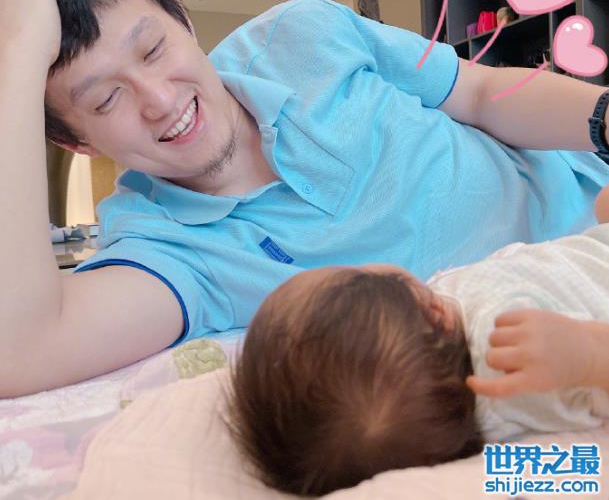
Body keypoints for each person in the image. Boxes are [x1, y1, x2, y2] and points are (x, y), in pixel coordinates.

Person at [2, 0, 609, 398]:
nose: (159, 101)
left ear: (183, 19)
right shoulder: (166, 249)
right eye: (106, 100)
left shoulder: (304, 31)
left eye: (154, 49)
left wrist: (603, 118)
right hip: (564, 331)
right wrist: (17, 58)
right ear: (77, 143)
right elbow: (21, 352)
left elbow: (478, 94)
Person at [228, 184, 609, 497]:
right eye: (355, 271)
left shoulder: (432, 346)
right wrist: (591, 355)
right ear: (435, 312)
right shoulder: (508, 370)